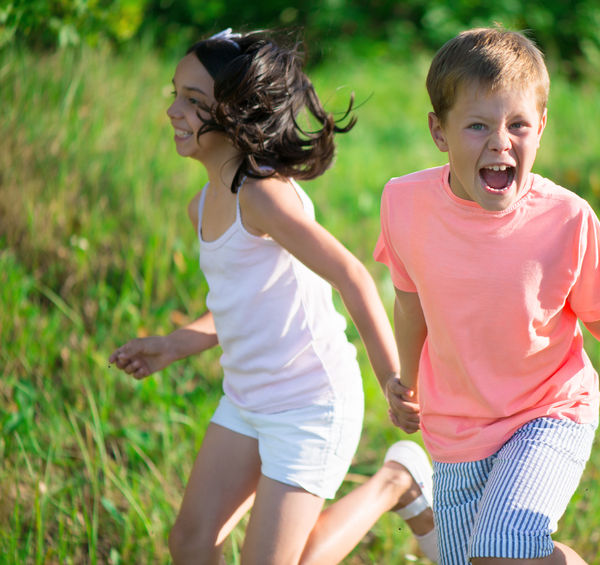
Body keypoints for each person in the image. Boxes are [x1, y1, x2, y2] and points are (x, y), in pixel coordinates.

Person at [373, 27, 600, 565]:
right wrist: (407, 383)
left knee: (501, 549)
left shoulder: (565, 218)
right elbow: (409, 300)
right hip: (455, 429)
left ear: (541, 127)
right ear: (439, 131)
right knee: (473, 559)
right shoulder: (404, 203)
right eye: (477, 125)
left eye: (517, 124)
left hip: (547, 412)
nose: (500, 141)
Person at [108, 29, 438, 564]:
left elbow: (352, 276)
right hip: (247, 399)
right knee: (190, 543)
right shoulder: (202, 205)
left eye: (193, 101)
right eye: (174, 93)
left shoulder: (261, 195)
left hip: (311, 404)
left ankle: (395, 482)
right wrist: (173, 345)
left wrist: (390, 379)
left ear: (236, 113)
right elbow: (239, 308)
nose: (173, 110)